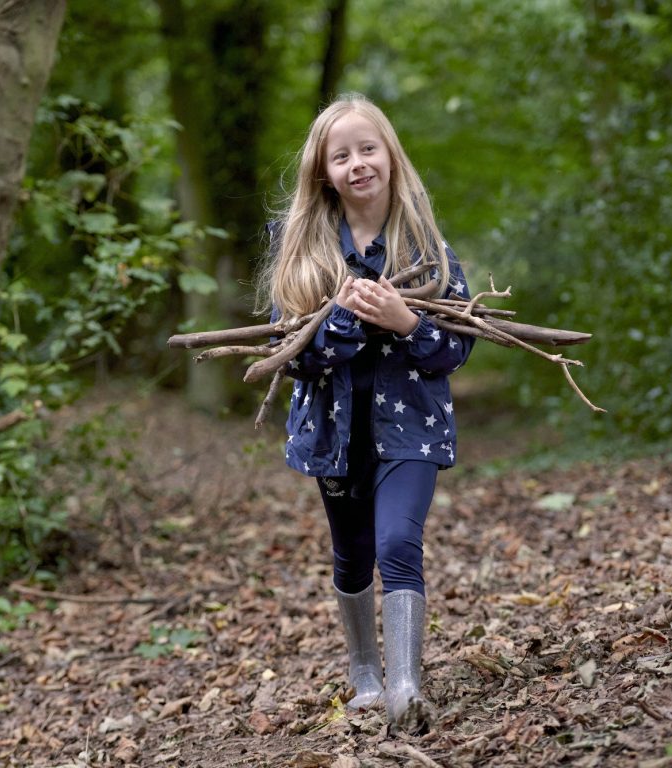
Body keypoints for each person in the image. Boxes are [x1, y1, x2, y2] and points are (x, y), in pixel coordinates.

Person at [256, 93, 474, 735]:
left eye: (368, 148)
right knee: (351, 555)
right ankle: (366, 678)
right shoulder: (303, 251)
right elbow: (288, 352)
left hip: (410, 426)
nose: (357, 163)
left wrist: (407, 322)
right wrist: (344, 324)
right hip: (335, 434)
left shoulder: (427, 247)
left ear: (391, 158)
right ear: (323, 172)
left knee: (398, 544)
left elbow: (455, 351)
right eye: (341, 154)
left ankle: (407, 687)